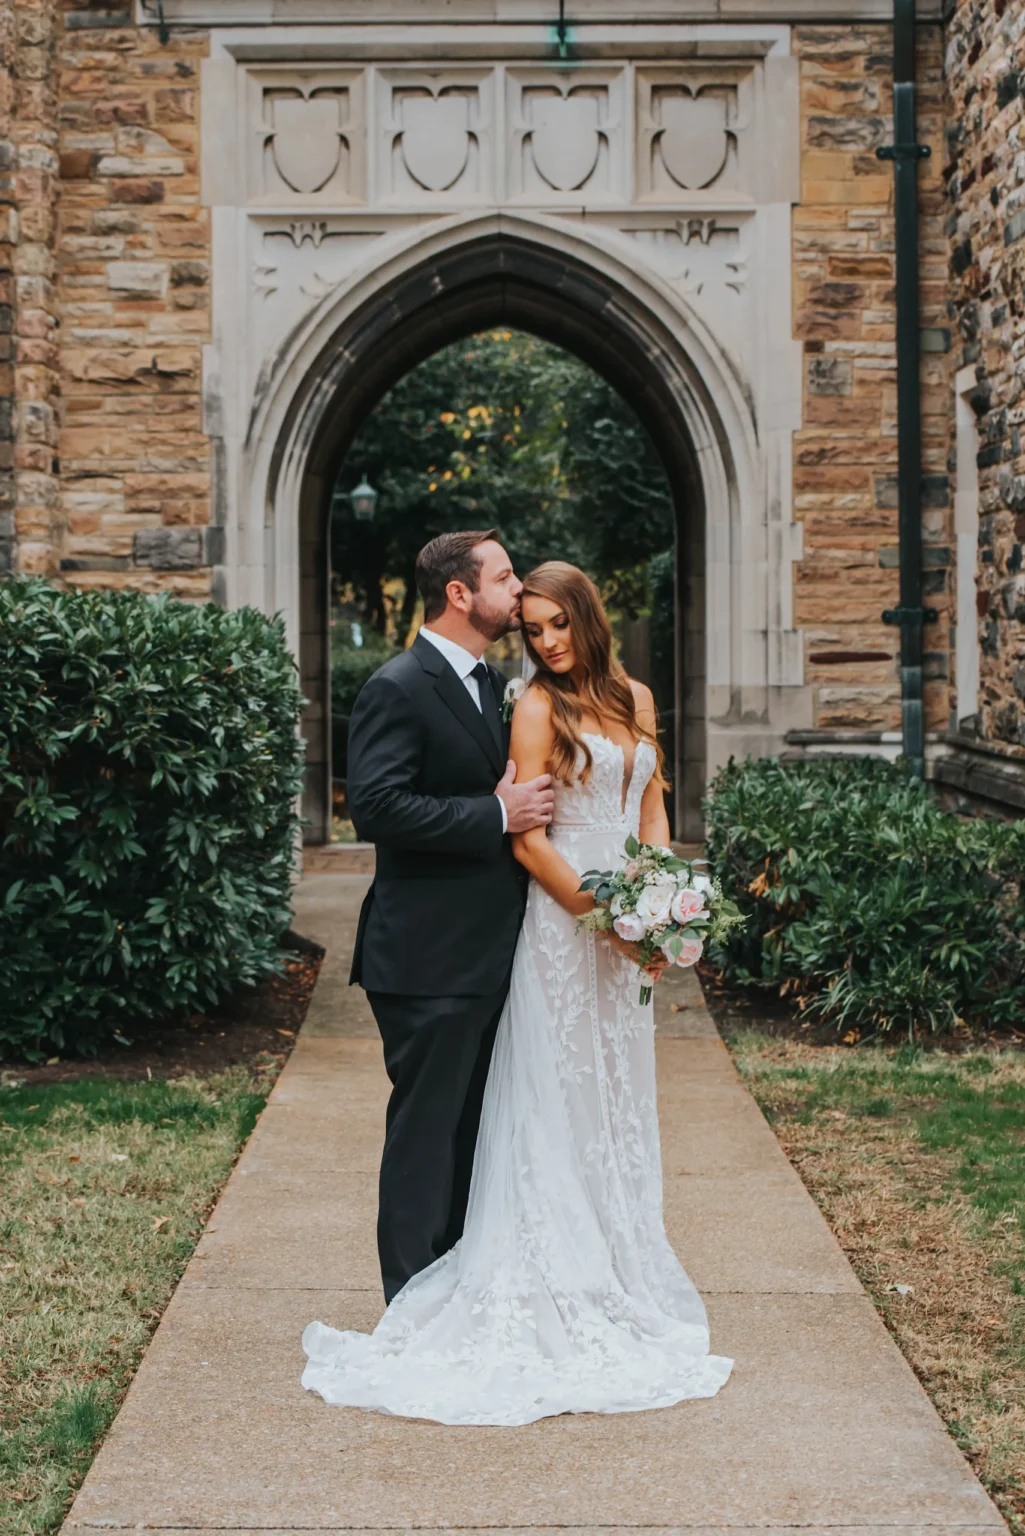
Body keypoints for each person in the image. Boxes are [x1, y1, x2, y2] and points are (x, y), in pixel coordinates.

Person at [302, 557, 733, 1425]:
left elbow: (650, 807)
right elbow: (524, 836)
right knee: (525, 1104)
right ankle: (436, 1290)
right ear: (468, 596)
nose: (541, 639)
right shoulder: (527, 701)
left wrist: (659, 905)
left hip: (613, 929)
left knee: (608, 1101)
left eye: (553, 624)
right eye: (528, 621)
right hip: (555, 925)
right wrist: (607, 919)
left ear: (587, 614)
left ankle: (609, 1267)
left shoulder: (632, 699)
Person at [343, 529, 555, 1305]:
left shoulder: (493, 682)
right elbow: (375, 806)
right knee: (425, 1139)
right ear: (460, 594)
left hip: (487, 953)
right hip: (427, 958)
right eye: (504, 578)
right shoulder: (398, 685)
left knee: (472, 1133)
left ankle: (455, 1293)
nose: (519, 590)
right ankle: (407, 1303)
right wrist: (492, 815)